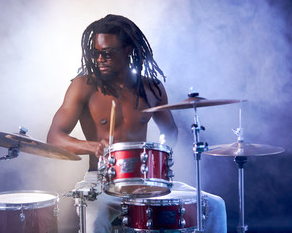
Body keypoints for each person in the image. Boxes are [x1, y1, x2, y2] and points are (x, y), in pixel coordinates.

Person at [47, 14, 226, 233]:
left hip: (147, 182)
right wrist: (92, 146)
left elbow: (169, 133)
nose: (99, 59)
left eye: (107, 53)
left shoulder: (152, 88)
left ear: (128, 50)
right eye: (95, 53)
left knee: (215, 205)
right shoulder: (84, 85)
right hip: (100, 181)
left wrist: (155, 163)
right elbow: (55, 138)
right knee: (93, 221)